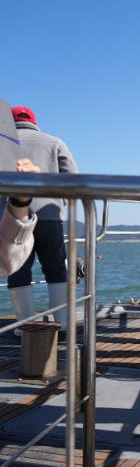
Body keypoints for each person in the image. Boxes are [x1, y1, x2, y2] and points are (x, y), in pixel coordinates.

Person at [6, 107, 78, 332]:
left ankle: (24, 324)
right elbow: (73, 178)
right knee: (56, 268)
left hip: (12, 217)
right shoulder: (54, 142)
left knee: (17, 269)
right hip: (49, 215)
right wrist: (59, 201)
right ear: (34, 122)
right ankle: (63, 322)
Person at [1, 159, 41, 276]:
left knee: (20, 277)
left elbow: (5, 263)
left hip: (24, 215)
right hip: (49, 217)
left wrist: (20, 201)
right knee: (55, 270)